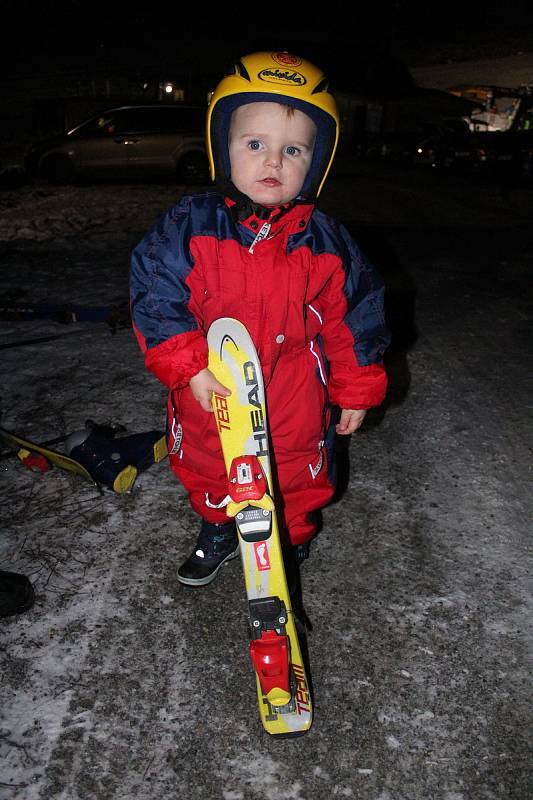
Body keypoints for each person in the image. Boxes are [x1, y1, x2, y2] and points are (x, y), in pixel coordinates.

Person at [130, 51, 389, 587]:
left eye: (292, 150)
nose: (273, 162)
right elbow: (156, 292)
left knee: (295, 471)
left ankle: (289, 540)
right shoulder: (191, 224)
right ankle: (219, 526)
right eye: (255, 145)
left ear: (315, 164)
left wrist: (356, 386)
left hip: (294, 388)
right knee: (207, 461)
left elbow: (355, 316)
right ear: (222, 149)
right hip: (212, 385)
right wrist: (186, 364)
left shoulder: (326, 243)